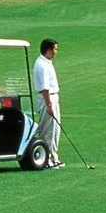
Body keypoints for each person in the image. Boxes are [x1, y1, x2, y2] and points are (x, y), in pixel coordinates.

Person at [33, 37, 64, 169]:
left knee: (55, 129)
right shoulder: (42, 65)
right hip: (48, 99)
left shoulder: (45, 62)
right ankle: (47, 159)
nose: (56, 52)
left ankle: (53, 157)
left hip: (51, 98)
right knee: (48, 130)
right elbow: (45, 88)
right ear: (48, 50)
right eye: (55, 49)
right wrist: (49, 105)